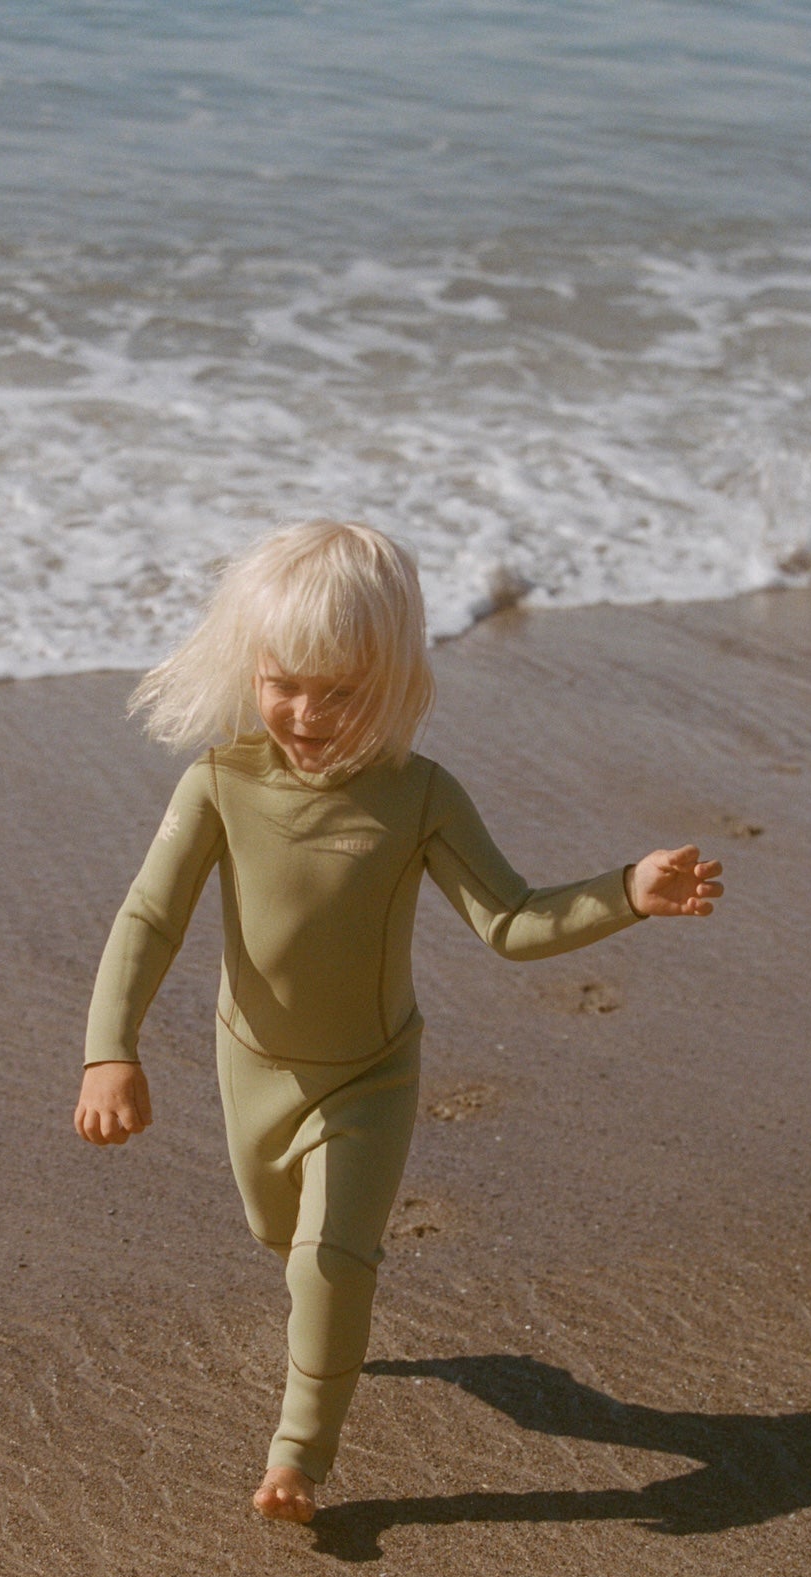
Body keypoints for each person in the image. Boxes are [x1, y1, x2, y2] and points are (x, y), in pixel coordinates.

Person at [74, 521, 724, 1524]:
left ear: (394, 682)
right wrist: (108, 1051)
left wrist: (625, 893)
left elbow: (509, 923)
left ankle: (299, 1457)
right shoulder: (219, 783)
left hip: (367, 1075)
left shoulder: (420, 797)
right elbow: (148, 919)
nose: (308, 712)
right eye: (287, 682)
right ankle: (336, 1333)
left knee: (330, 1257)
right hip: (249, 1063)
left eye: (343, 692)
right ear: (249, 664)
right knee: (275, 1233)